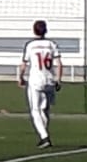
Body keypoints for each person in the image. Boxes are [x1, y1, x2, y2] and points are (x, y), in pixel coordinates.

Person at [19, 19, 63, 148]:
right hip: (49, 80)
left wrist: (20, 77)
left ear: (34, 31)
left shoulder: (30, 45)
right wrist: (59, 79)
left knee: (35, 110)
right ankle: (44, 134)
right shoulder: (51, 44)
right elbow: (59, 64)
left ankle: (44, 137)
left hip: (36, 81)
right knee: (45, 110)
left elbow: (23, 64)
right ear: (46, 30)